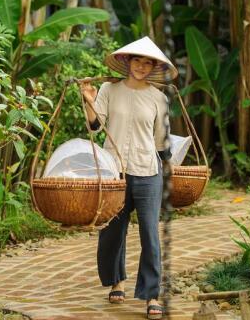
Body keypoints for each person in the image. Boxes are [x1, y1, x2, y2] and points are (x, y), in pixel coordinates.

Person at [80, 36, 177, 320]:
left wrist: (169, 168)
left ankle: (151, 295)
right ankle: (116, 281)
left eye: (148, 63)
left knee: (150, 233)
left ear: (152, 67)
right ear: (127, 62)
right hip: (115, 172)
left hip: (148, 171)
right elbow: (96, 125)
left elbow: (161, 141)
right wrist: (88, 101)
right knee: (112, 232)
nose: (142, 67)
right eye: (138, 60)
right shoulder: (110, 89)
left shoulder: (159, 98)